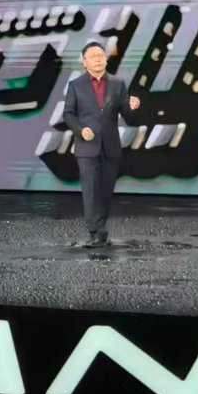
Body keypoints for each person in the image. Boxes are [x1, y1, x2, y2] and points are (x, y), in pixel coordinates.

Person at [62, 40, 141, 247]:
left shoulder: (117, 83)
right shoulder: (76, 85)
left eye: (100, 55)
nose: (97, 59)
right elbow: (68, 114)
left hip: (110, 146)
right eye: (92, 56)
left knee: (106, 190)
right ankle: (95, 231)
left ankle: (100, 227)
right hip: (87, 147)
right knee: (90, 190)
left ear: (106, 59)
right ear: (84, 62)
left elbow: (125, 113)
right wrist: (81, 130)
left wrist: (131, 106)